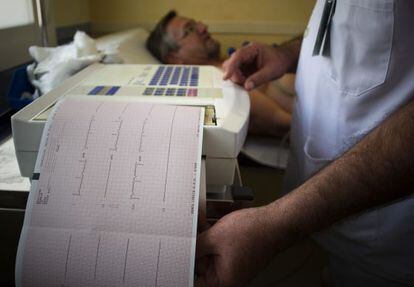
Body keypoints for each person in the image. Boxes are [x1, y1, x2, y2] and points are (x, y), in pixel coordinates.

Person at [194, 0, 414, 286]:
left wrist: (276, 225)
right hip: (328, 217)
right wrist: (284, 54)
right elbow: (344, 27)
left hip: (387, 239)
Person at [146, 10, 294, 138]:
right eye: (189, 29)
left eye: (196, 23)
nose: (203, 27)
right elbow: (285, 125)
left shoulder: (234, 64)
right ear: (174, 58)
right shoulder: (221, 86)